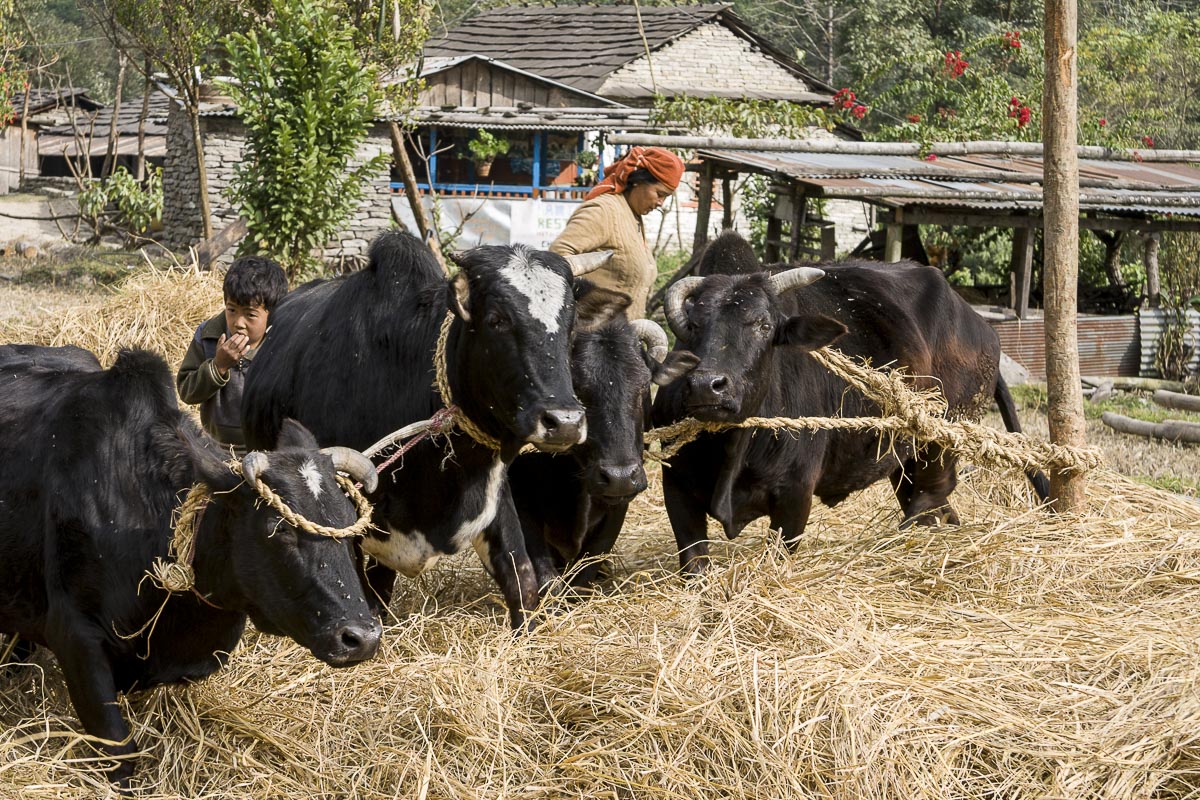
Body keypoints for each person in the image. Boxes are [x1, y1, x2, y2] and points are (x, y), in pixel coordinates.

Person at [550, 146, 686, 319]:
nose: (661, 203)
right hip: (592, 337)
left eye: (666, 197)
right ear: (638, 181)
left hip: (621, 338)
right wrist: (587, 306)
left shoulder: (632, 216)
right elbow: (557, 256)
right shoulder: (604, 211)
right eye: (659, 194)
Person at [177, 255, 288, 456]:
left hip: (268, 451)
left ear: (272, 313)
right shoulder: (209, 336)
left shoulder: (281, 343)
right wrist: (218, 366)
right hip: (215, 447)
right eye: (232, 310)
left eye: (250, 314)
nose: (238, 322)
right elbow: (186, 391)